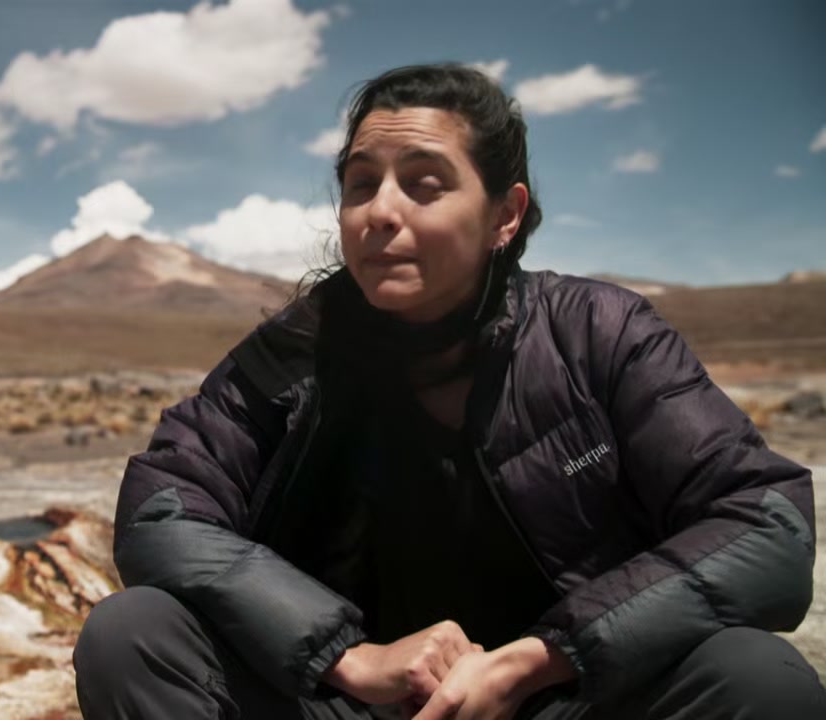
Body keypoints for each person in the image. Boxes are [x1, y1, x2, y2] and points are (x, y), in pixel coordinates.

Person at [72, 63, 822, 719]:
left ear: (505, 215)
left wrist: (535, 660)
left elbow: (766, 525)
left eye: (424, 185)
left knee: (754, 674)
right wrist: (347, 656)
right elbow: (162, 512)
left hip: (562, 696)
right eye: (361, 184)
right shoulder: (295, 352)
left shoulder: (598, 332)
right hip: (356, 704)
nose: (381, 211)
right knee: (134, 633)